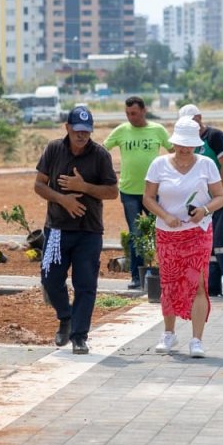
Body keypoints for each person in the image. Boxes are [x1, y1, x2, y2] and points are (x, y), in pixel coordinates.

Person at [34, 105, 119, 355]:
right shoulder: (53, 149)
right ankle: (66, 317)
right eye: (78, 131)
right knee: (49, 278)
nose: (82, 136)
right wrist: (64, 199)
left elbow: (112, 192)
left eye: (87, 131)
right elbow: (39, 185)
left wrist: (84, 186)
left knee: (85, 284)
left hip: (89, 231)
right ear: (68, 128)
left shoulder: (100, 155)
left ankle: (79, 336)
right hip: (57, 229)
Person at [143, 118, 223, 357]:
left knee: (198, 282)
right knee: (168, 282)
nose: (184, 149)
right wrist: (165, 215)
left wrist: (205, 210)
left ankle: (197, 339)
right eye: (180, 144)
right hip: (168, 233)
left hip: (197, 232)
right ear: (173, 142)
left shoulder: (206, 164)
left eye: (189, 145)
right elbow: (148, 198)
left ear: (197, 145)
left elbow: (219, 196)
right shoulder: (159, 164)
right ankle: (169, 333)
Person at [103, 96, 170, 289]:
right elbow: (101, 150)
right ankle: (136, 277)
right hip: (129, 192)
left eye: (133, 113)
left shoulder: (157, 130)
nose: (130, 117)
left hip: (154, 192)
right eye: (127, 114)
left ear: (143, 111)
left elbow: (174, 151)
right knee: (135, 234)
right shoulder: (122, 131)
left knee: (160, 232)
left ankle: (165, 273)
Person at [181, 104, 223, 298]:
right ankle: (213, 285)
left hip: (220, 198)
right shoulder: (189, 142)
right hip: (200, 202)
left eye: (194, 121)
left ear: (200, 117)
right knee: (207, 244)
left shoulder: (214, 137)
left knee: (221, 241)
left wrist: (218, 195)